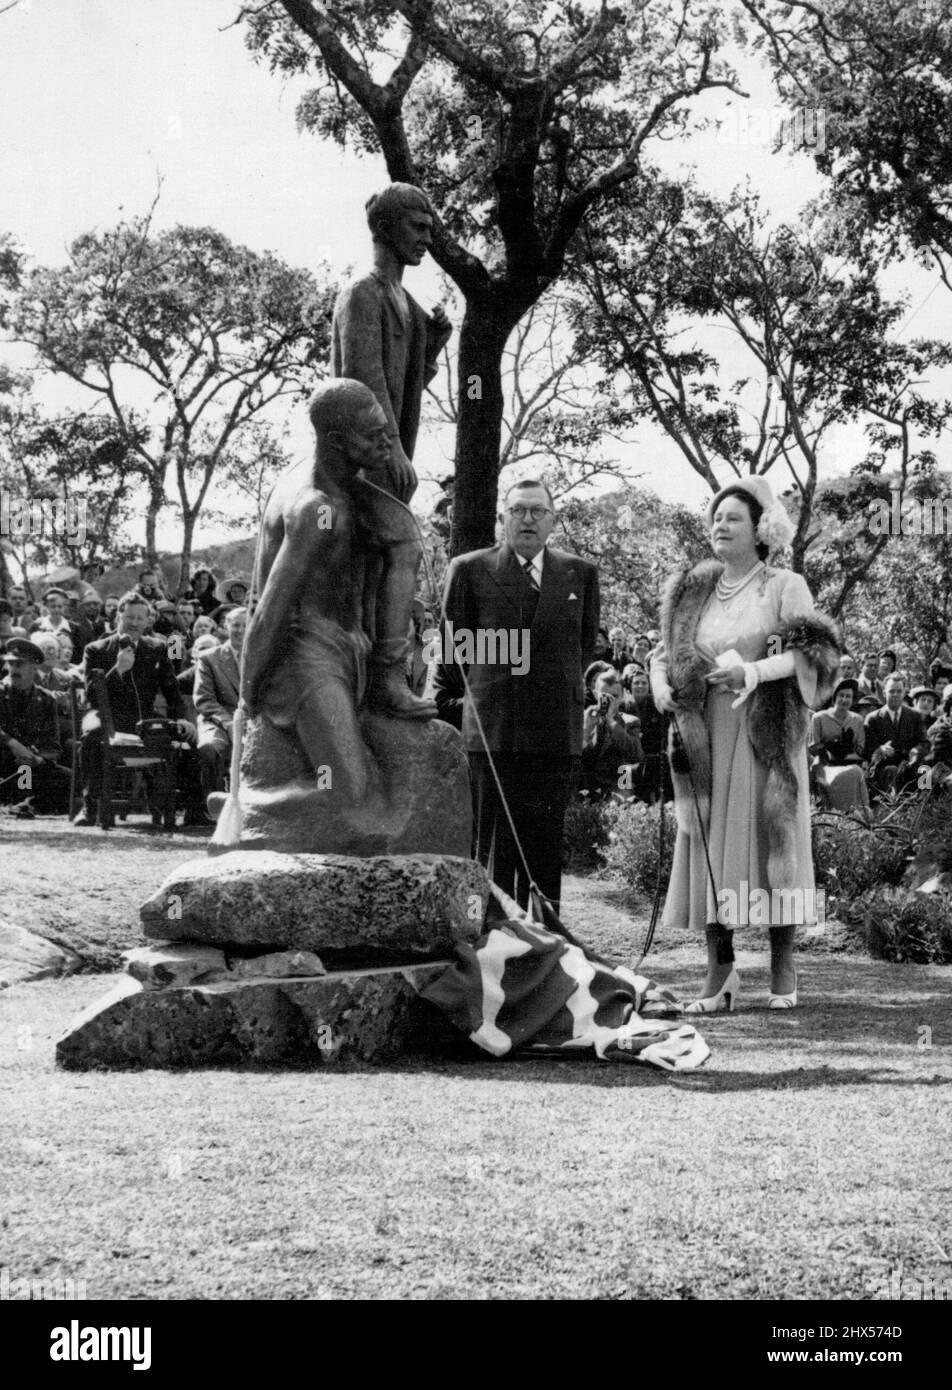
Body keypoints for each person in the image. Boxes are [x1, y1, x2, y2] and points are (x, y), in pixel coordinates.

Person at [650, 476, 839, 1012]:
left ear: (761, 528)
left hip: (765, 734)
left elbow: (813, 657)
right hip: (704, 733)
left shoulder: (785, 584)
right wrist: (662, 685)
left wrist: (752, 673)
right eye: (715, 517)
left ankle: (784, 968)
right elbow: (663, 652)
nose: (720, 525)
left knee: (769, 841)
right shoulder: (695, 589)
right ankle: (720, 971)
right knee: (711, 847)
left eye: (732, 517)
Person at [431, 478, 600, 913]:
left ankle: (548, 954)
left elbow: (580, 652)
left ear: (553, 520)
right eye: (519, 510)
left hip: (554, 736)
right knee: (492, 857)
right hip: (494, 734)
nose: (528, 519)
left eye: (538, 511)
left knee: (545, 856)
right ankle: (492, 952)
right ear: (503, 518)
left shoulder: (580, 573)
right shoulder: (469, 569)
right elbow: (455, 656)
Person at [331, 182, 451, 718]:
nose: (428, 238)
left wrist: (432, 349)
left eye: (431, 228)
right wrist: (391, 452)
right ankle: (385, 676)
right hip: (359, 461)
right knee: (403, 546)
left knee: (383, 564)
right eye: (417, 227)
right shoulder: (363, 292)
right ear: (384, 228)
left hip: (388, 458)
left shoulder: (407, 302)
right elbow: (364, 383)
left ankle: (376, 678)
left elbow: (403, 385)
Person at [74, 591, 197, 826]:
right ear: (118, 616)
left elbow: (172, 691)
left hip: (145, 719)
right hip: (108, 717)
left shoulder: (158, 648)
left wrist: (182, 719)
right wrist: (118, 669)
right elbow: (91, 696)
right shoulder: (96, 649)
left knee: (187, 737)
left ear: (148, 620)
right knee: (90, 737)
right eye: (129, 617)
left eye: (140, 618)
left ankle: (192, 809)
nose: (134, 623)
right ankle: (90, 807)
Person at [0, 638, 70, 817]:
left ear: (33, 668)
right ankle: (25, 802)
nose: (13, 670)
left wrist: (37, 758)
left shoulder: (46, 700)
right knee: (24, 778)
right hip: (3, 762)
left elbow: (54, 747)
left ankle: (24, 802)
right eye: (11, 664)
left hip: (28, 767)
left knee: (69, 778)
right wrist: (13, 744)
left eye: (19, 665)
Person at [194, 607, 245, 799]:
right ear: (226, 627)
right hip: (218, 721)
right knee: (209, 747)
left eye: (245, 626)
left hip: (252, 721)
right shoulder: (209, 658)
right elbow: (204, 700)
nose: (240, 630)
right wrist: (229, 723)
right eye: (236, 625)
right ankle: (215, 802)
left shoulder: (260, 657)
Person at [809, 678, 870, 815]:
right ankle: (837, 813)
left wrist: (848, 749)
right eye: (841, 695)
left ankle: (861, 813)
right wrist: (829, 747)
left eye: (848, 696)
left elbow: (860, 748)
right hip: (826, 765)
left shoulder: (857, 720)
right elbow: (812, 748)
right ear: (834, 697)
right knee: (850, 773)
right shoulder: (819, 718)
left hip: (849, 762)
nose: (844, 699)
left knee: (855, 771)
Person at [580, 668, 642, 800]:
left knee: (626, 769)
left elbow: (636, 753)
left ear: (622, 697)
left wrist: (612, 722)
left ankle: (624, 801)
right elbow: (580, 756)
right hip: (591, 782)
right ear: (596, 694)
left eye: (614, 696)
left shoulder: (630, 721)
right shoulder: (587, 719)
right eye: (605, 696)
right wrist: (586, 731)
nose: (609, 701)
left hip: (619, 782)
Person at [864, 674, 929, 797]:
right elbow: (866, 747)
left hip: (909, 764)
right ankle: (894, 806)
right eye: (891, 691)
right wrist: (879, 749)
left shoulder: (915, 716)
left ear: (904, 693)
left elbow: (925, 743)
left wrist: (916, 751)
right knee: (892, 770)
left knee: (925, 768)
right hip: (883, 767)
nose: (895, 694)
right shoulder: (873, 718)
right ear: (884, 692)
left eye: (899, 691)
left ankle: (924, 805)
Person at [29, 587, 83, 664]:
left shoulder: (74, 628)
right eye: (53, 606)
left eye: (60, 606)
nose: (57, 610)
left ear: (65, 606)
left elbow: (79, 655)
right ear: (47, 606)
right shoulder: (37, 626)